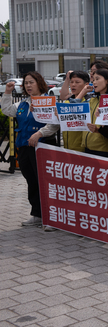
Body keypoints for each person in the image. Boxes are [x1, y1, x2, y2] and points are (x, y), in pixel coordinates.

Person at [1, 72, 59, 227]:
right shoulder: (23, 103)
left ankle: (51, 217)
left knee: (44, 182)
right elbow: (6, 110)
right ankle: (37, 214)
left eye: (31, 82)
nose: (28, 86)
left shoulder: (48, 102)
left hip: (42, 146)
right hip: (25, 147)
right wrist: (7, 92)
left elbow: (54, 124)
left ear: (39, 83)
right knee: (31, 181)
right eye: (26, 83)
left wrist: (39, 133)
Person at [80, 69, 108, 158]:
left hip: (104, 150)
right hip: (87, 148)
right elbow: (74, 110)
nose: (94, 82)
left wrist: (99, 129)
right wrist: (83, 91)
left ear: (107, 80)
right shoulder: (91, 100)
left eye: (97, 79)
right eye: (93, 80)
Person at [62, 71, 91, 152]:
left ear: (86, 84)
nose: (73, 85)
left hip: (83, 149)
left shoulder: (89, 101)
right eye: (71, 82)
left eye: (77, 82)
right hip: (67, 147)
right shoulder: (68, 101)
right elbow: (63, 96)